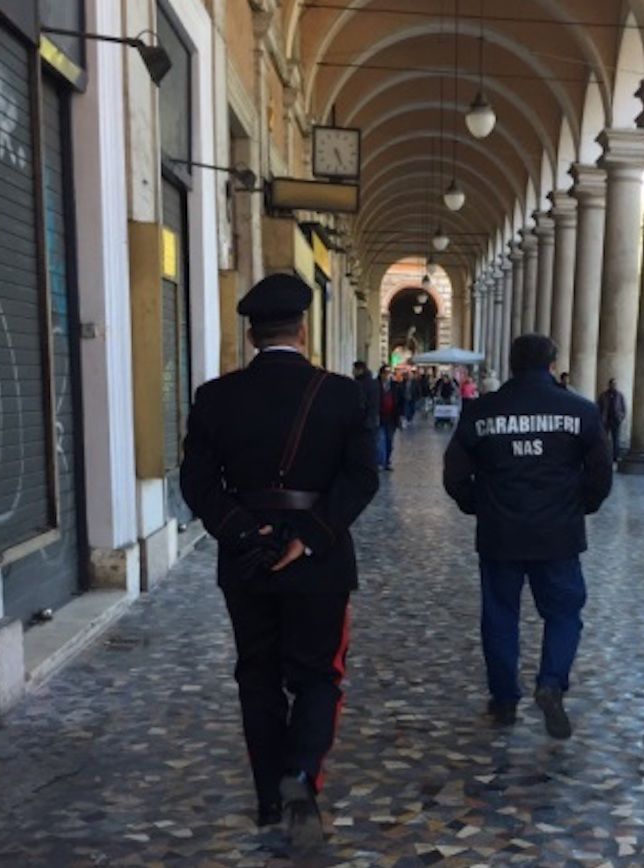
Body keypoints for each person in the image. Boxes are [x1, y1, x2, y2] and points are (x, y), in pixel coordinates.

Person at [179, 273, 378, 847]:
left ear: (250, 334)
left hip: (247, 559)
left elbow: (197, 481)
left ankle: (269, 797)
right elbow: (362, 478)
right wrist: (310, 534)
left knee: (257, 674)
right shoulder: (342, 394)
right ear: (304, 328)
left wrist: (243, 530)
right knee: (319, 674)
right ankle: (299, 776)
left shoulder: (215, 397)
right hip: (318, 559)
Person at [443, 334, 613, 739]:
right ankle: (551, 682)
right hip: (558, 534)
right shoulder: (581, 411)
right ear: (552, 365)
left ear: (513, 364)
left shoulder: (482, 411)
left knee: (500, 615)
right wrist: (579, 507)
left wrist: (477, 504)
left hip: (500, 531)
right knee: (564, 612)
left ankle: (504, 699)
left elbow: (454, 474)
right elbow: (601, 474)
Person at [377, 365, 403, 470]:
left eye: (389, 373)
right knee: (380, 440)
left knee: (389, 440)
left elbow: (400, 400)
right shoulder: (376, 385)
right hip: (379, 416)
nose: (387, 375)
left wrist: (401, 415)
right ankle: (380, 462)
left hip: (392, 417)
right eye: (386, 373)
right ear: (381, 374)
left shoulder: (395, 385)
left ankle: (387, 461)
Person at [597, 378, 627, 462]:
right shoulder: (603, 395)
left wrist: (621, 418)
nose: (613, 385)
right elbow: (598, 406)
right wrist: (600, 418)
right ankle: (604, 455)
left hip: (616, 420)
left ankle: (615, 456)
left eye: (615, 384)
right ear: (609, 385)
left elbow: (623, 408)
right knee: (604, 439)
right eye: (612, 384)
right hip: (605, 420)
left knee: (616, 439)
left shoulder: (620, 395)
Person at [353, 361, 380, 435]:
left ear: (360, 370)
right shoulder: (374, 382)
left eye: (355, 370)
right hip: (373, 419)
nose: (353, 372)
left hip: (363, 421)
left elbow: (360, 402)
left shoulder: (359, 384)